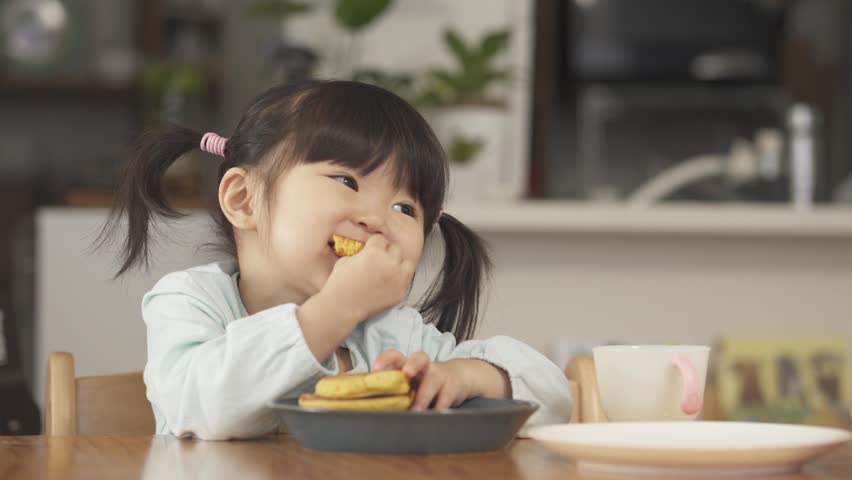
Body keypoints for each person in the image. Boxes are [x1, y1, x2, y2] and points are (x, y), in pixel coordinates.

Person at [100, 80, 573, 440]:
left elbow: (554, 395)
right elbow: (200, 406)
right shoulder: (191, 302)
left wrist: (467, 376)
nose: (376, 219)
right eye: (347, 181)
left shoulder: (391, 334)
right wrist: (334, 310)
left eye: (405, 208)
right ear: (244, 199)